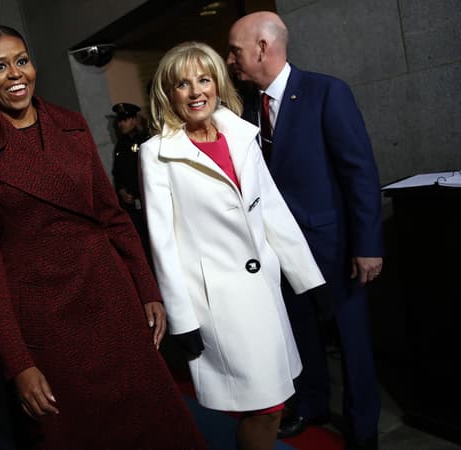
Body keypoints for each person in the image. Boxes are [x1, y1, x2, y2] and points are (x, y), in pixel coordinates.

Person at [0, 25, 206, 449]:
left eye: (21, 61)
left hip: (110, 297)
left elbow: (112, 215)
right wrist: (18, 363)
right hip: (46, 322)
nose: (15, 74)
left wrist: (146, 288)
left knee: (155, 424)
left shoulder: (71, 125)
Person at [141, 41, 327, 450]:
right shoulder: (157, 154)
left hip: (264, 295)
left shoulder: (242, 136)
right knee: (265, 409)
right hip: (219, 306)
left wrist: (309, 281)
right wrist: (182, 318)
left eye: (204, 79)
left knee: (275, 404)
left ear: (217, 82)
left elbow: (272, 211)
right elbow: (163, 243)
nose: (196, 92)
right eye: (182, 84)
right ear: (167, 94)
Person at [227, 12, 384, 450]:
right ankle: (312, 405)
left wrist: (368, 245)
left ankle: (362, 428)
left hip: (335, 248)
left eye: (235, 50)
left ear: (262, 47)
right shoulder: (246, 110)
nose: (230, 60)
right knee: (301, 338)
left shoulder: (326, 92)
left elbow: (360, 174)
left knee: (353, 345)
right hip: (281, 253)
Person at [110, 102, 152, 264]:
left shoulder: (145, 141)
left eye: (125, 120)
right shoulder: (120, 145)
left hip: (147, 200)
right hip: (131, 205)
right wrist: (121, 190)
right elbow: (117, 173)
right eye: (120, 121)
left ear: (134, 120)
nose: (121, 124)